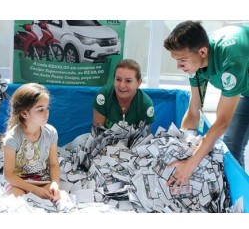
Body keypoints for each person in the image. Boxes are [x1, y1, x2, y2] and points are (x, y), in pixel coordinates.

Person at [164, 20, 249, 190]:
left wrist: (190, 165)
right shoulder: (195, 61)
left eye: (182, 60)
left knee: (230, 140)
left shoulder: (231, 61)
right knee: (229, 145)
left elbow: (222, 122)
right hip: (244, 82)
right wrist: (180, 149)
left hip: (240, 62)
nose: (179, 66)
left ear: (202, 51)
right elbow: (194, 111)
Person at [3, 83, 60, 201]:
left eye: (47, 108)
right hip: (19, 184)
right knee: (17, 201)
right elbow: (9, 175)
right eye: (40, 109)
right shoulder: (12, 138)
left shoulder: (51, 133)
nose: (46, 113)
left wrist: (55, 183)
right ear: (24, 113)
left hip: (42, 181)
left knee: (59, 198)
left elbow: (54, 164)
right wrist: (34, 190)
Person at [93, 59, 155, 129]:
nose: (122, 86)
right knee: (79, 139)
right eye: (118, 79)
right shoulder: (103, 96)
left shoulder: (145, 104)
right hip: (104, 139)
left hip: (134, 140)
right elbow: (97, 133)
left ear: (138, 83)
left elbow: (144, 138)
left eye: (128, 81)